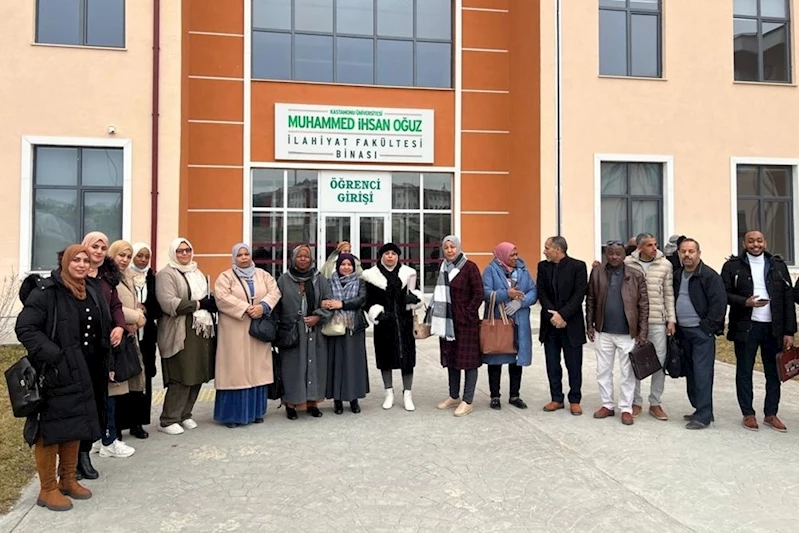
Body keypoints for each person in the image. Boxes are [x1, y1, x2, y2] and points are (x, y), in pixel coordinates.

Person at [15, 245, 106, 511]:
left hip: (84, 370)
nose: (81, 264)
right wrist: (55, 355)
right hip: (55, 372)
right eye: (75, 260)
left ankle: (67, 479)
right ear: (64, 262)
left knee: (75, 424)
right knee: (50, 431)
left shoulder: (89, 289)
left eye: (85, 260)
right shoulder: (47, 292)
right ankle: (47, 489)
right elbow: (25, 327)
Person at [721, 230, 795, 432]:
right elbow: (723, 293)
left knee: (773, 372)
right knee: (744, 370)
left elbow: (788, 299)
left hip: (774, 327)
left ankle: (771, 414)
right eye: (751, 241)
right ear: (744, 244)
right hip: (746, 326)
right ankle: (748, 413)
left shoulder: (778, 266)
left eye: (759, 241)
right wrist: (745, 302)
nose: (756, 245)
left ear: (765, 242)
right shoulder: (732, 266)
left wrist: (789, 331)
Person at [214, 243, 282, 427]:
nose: (244, 257)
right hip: (234, 329)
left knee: (258, 369)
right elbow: (221, 297)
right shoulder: (225, 277)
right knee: (235, 371)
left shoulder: (263, 275)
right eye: (240, 255)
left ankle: (256, 412)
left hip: (257, 328)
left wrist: (263, 307)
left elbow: (274, 291)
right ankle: (231, 416)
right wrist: (245, 308)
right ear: (234, 257)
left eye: (246, 254)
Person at [155, 238, 217, 435]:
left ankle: (185, 414)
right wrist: (199, 304)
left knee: (198, 373)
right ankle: (168, 419)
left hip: (200, 329)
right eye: (180, 251)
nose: (184, 254)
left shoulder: (196, 272)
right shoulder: (167, 274)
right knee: (181, 374)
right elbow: (169, 303)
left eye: (187, 250)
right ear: (174, 253)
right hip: (180, 331)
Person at [80, 232, 127, 478]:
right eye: (94, 246)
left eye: (102, 247)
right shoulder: (73, 274)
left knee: (98, 400)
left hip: (101, 348)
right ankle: (75, 458)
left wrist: (119, 326)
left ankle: (86, 454)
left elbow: (116, 306)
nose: (98, 251)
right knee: (79, 402)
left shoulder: (106, 278)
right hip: (77, 349)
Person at [586, 241, 649, 426]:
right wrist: (589, 324)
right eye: (611, 253)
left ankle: (626, 408)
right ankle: (607, 404)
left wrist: (642, 332)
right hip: (603, 331)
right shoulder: (597, 273)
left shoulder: (636, 275)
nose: (614, 257)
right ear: (606, 254)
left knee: (627, 372)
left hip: (627, 333)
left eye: (618, 254)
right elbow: (590, 300)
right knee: (603, 370)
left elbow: (644, 306)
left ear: (624, 255)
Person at [362, 243, 423, 411]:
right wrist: (376, 313)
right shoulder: (371, 276)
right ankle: (388, 393)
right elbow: (367, 301)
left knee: (407, 359)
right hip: (384, 324)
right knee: (385, 359)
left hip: (404, 323)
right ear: (381, 256)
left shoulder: (407, 273)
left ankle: (407, 394)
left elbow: (416, 292)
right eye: (387, 253)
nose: (390, 256)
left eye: (393, 254)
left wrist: (415, 299)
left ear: (398, 256)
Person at [674, 238, 726, 430]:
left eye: (691, 251)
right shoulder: (678, 275)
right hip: (682, 332)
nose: (687, 255)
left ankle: (704, 415)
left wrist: (708, 327)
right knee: (691, 373)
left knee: (702, 373)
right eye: (683, 251)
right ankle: (700, 409)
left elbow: (719, 304)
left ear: (698, 253)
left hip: (701, 333)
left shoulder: (709, 276)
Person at [101, 240, 147, 457]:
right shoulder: (106, 276)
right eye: (121, 255)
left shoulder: (127, 275)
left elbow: (130, 304)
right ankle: (110, 436)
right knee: (114, 386)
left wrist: (137, 317)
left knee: (126, 384)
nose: (125, 260)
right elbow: (112, 306)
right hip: (114, 336)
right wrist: (137, 317)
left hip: (128, 334)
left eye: (128, 256)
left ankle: (116, 432)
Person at [429, 236, 483, 417]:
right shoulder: (443, 267)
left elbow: (478, 294)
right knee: (452, 359)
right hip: (447, 321)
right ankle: (454, 396)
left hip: (466, 323)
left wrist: (466, 314)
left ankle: (467, 400)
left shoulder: (470, 267)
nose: (450, 250)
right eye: (446, 247)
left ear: (459, 248)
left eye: (453, 247)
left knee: (468, 362)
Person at [276, 244, 332, 419]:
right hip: (292, 331)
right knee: (292, 368)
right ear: (293, 259)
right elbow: (276, 306)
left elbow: (329, 303)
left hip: (315, 331)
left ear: (311, 259)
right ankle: (291, 405)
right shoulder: (284, 280)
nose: (303, 259)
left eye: (306, 256)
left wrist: (318, 316)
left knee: (314, 366)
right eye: (299, 256)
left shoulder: (319, 279)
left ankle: (312, 403)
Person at [625, 233, 675, 421]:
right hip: (634, 320)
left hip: (657, 320)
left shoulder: (665, 264)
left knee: (659, 361)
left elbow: (669, 293)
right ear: (639, 248)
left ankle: (655, 402)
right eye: (649, 245)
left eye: (655, 244)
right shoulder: (628, 263)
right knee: (634, 359)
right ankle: (635, 401)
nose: (654, 248)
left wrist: (671, 319)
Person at [481, 241, 537, 410]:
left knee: (516, 359)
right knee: (496, 357)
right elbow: (485, 292)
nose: (515, 258)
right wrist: (506, 294)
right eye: (511, 255)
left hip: (519, 321)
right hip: (499, 322)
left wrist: (521, 302)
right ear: (502, 255)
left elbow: (533, 291)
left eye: (516, 254)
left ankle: (515, 395)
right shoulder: (491, 270)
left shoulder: (523, 270)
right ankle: (495, 396)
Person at [537, 236, 588, 415]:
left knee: (574, 364)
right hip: (550, 324)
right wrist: (553, 315)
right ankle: (556, 398)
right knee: (552, 363)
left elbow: (579, 293)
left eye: (547, 248)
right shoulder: (543, 267)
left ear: (558, 249)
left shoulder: (578, 266)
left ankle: (575, 399)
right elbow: (541, 292)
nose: (544, 251)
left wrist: (563, 315)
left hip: (571, 323)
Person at [322, 253, 370, 414]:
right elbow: (325, 299)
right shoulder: (329, 282)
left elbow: (361, 300)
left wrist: (340, 304)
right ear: (338, 266)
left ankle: (354, 399)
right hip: (334, 327)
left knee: (353, 363)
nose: (347, 267)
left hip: (353, 327)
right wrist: (328, 303)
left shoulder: (360, 282)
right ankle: (337, 400)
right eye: (343, 264)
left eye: (350, 265)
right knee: (336, 362)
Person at [126, 243, 161, 438]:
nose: (143, 260)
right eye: (139, 255)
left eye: (146, 256)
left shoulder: (151, 277)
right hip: (128, 334)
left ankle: (138, 423)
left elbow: (158, 306)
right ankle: (121, 422)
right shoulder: (123, 277)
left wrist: (146, 308)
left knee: (144, 378)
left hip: (147, 335)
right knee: (127, 376)